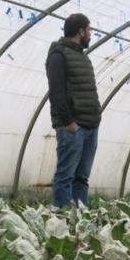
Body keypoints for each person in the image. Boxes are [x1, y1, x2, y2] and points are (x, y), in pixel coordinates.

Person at [46, 13, 101, 208]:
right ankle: (63, 217)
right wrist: (69, 124)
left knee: (82, 178)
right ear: (80, 31)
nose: (90, 34)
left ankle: (80, 220)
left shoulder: (81, 56)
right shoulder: (58, 55)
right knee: (66, 175)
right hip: (73, 127)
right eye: (89, 30)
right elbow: (57, 93)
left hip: (90, 126)